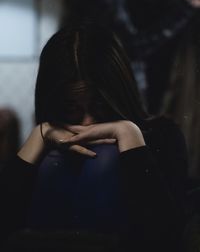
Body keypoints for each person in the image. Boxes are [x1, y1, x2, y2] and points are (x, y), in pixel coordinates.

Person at [0, 22, 188, 251]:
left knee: (105, 158)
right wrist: (38, 135)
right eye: (71, 108)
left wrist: (128, 134)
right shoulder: (48, 142)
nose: (88, 122)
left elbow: (167, 238)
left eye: (99, 104)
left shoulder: (163, 135)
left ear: (117, 94)